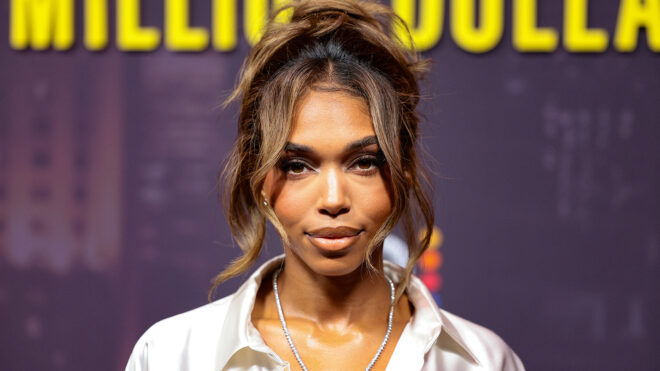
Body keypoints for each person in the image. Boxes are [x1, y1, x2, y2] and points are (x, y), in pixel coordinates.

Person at [125, 0, 524, 369]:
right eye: (298, 165)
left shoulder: (483, 361)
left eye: (364, 162)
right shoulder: (174, 354)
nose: (333, 199)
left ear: (403, 171)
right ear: (260, 177)